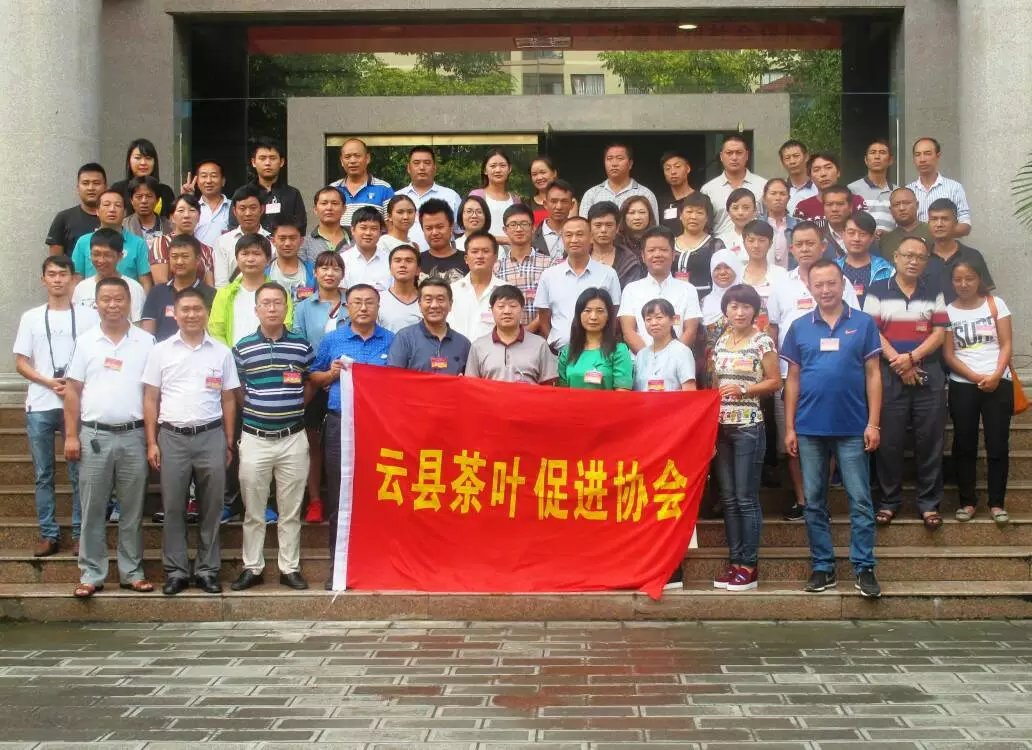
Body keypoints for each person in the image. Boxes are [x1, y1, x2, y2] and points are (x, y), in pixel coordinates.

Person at [781, 259, 883, 598]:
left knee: (860, 500)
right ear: (810, 288)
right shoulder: (799, 327)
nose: (825, 290)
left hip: (853, 426)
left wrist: (873, 422)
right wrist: (790, 427)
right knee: (813, 501)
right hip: (809, 428)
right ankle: (823, 567)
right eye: (818, 285)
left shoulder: (863, 323)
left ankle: (864, 567)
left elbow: (873, 374)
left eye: (831, 283)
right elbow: (792, 380)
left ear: (843, 285)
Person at [63, 277, 156, 598]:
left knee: (132, 509)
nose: (113, 305)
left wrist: (152, 439)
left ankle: (132, 572)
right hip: (94, 436)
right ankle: (91, 573)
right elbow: (72, 391)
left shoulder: (146, 342)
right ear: (96, 304)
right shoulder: (85, 342)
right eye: (106, 299)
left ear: (129, 303)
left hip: (134, 435)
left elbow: (152, 394)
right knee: (93, 508)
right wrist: (71, 435)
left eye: (119, 299)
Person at [142, 287, 238, 596]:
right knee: (173, 506)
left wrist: (228, 440)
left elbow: (228, 399)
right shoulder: (160, 351)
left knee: (212, 505)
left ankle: (208, 570)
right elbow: (151, 398)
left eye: (197, 309)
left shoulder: (221, 352)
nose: (192, 315)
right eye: (185, 309)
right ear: (175, 313)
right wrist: (152, 441)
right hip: (172, 436)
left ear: (206, 312)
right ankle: (177, 570)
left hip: (211, 435)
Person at [767, 222, 860, 520]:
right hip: (789, 374)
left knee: (829, 436)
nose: (805, 249)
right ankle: (803, 499)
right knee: (794, 438)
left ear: (823, 246)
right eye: (799, 244)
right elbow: (772, 329)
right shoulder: (782, 284)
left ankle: (820, 498)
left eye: (811, 243)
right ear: (791, 249)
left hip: (833, 375)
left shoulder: (839, 281)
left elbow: (855, 321)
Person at [231, 282, 314, 591]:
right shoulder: (242, 348)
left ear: (286, 307)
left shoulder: (301, 346)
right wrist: (259, 411)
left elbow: (310, 382)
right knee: (253, 510)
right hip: (255, 437)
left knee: (290, 510)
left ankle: (289, 567)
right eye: (265, 303)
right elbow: (237, 389)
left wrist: (293, 407)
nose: (272, 308)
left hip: (293, 437)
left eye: (278, 303)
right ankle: (252, 567)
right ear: (256, 309)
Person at [310, 283, 395, 587]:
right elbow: (314, 377)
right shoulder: (333, 340)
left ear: (378, 307)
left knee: (380, 497)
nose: (363, 307)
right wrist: (331, 374)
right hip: (340, 424)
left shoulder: (393, 341)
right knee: (339, 497)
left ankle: (377, 565)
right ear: (347, 307)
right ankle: (339, 568)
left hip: (380, 429)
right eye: (357, 302)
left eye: (369, 302)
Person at [14, 256, 99, 557]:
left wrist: (74, 385)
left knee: (80, 473)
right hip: (40, 403)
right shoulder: (31, 317)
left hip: (77, 403)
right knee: (43, 473)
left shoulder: (89, 317)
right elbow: (21, 362)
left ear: (73, 279)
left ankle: (79, 534)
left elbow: (97, 358)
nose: (58, 279)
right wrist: (49, 382)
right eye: (51, 274)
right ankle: (48, 534)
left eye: (63, 274)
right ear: (43, 280)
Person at [864, 235, 948, 531]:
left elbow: (939, 333)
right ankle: (889, 502)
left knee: (931, 441)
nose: (914, 261)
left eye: (920, 257)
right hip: (889, 374)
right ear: (896, 258)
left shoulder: (934, 290)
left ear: (926, 262)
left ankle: (929, 504)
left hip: (929, 372)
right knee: (889, 441)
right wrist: (899, 363)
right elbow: (872, 332)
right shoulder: (877, 290)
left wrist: (911, 358)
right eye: (908, 255)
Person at [711, 284, 780, 592]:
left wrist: (744, 389)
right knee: (728, 498)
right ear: (725, 310)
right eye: (733, 306)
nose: (739, 312)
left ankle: (749, 566)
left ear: (755, 311)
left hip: (749, 426)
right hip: (721, 428)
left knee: (746, 498)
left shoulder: (762, 341)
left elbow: (775, 382)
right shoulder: (721, 341)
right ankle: (734, 561)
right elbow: (715, 384)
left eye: (745, 307)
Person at [943, 261, 1014, 525]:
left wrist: (995, 375)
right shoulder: (947, 311)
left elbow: (1006, 344)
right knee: (964, 444)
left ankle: (997, 503)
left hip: (998, 382)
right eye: (958, 279)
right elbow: (949, 354)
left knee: (997, 444)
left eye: (969, 278)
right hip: (963, 384)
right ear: (952, 282)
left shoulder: (996, 304)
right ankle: (968, 501)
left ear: (979, 279)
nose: (963, 284)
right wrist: (974, 377)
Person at [290, 250, 347, 525]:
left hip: (346, 383)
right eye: (324, 268)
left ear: (343, 274)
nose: (329, 273)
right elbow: (299, 345)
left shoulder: (352, 302)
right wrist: (319, 375)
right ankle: (314, 501)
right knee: (311, 443)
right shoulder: (303, 307)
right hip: (313, 380)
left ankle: (345, 499)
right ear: (315, 273)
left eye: (335, 268)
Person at [739, 221, 787, 487]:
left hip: (771, 349)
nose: (756, 245)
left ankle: (771, 464)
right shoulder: (737, 272)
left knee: (771, 408)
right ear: (744, 241)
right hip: (741, 352)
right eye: (751, 240)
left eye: (761, 240)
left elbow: (779, 317)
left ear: (770, 243)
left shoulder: (781, 275)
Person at [534, 216, 622, 350]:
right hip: (558, 353)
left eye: (580, 234)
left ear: (591, 237)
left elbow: (614, 315)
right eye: (568, 235)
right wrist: (552, 342)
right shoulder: (549, 275)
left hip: (598, 353)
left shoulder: (608, 274)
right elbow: (543, 315)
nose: (574, 240)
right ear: (562, 239)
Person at [618, 226, 702, 353]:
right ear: (643, 256)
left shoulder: (688, 290)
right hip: (640, 361)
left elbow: (690, 331)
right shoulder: (631, 290)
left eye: (663, 250)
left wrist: (671, 359)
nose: (657, 255)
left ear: (673, 255)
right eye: (651, 250)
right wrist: (649, 359)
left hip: (677, 361)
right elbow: (629, 332)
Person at [209, 233, 293, 348]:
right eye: (245, 254)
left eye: (256, 254)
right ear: (237, 258)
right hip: (233, 357)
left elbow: (286, 325)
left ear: (268, 260)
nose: (250, 259)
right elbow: (216, 331)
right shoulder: (224, 294)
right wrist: (230, 356)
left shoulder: (280, 293)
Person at [465, 285, 558, 383]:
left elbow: (548, 386)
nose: (507, 311)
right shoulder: (478, 346)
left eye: (513, 306)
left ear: (522, 309)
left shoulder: (539, 345)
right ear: (492, 310)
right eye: (501, 306)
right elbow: (471, 385)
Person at [141, 234, 217, 341]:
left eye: (185, 256)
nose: (179, 262)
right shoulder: (157, 292)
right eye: (174, 257)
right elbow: (147, 335)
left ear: (198, 259)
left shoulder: (211, 294)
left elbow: (214, 333)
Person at [387, 277, 471, 374]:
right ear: (419, 305)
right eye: (428, 300)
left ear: (450, 304)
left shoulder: (463, 344)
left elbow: (471, 379)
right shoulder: (404, 339)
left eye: (440, 300)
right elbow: (393, 378)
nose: (434, 305)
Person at [70, 190, 152, 288]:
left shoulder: (138, 243)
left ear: (125, 212)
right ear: (97, 211)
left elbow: (145, 281)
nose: (112, 209)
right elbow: (77, 278)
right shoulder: (83, 242)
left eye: (117, 205)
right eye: (106, 205)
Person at [495, 204, 559, 327]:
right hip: (506, 334)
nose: (519, 229)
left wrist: (528, 331)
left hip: (542, 334)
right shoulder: (497, 268)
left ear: (533, 228)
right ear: (505, 230)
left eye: (524, 224)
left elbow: (554, 302)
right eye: (513, 224)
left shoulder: (550, 264)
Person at [557, 288, 632, 390]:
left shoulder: (618, 350)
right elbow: (562, 391)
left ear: (608, 316)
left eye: (600, 311)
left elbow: (622, 392)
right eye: (587, 311)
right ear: (579, 314)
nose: (593, 317)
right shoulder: (568, 351)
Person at [925, 198, 994, 304]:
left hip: (967, 313)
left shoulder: (972, 256)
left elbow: (985, 297)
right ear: (928, 223)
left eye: (945, 219)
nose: (939, 224)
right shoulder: (921, 257)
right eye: (934, 219)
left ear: (956, 223)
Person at [232, 137, 306, 234]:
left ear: (282, 162)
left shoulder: (292, 194)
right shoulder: (242, 193)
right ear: (253, 162)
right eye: (262, 158)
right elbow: (234, 226)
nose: (267, 163)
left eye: (272, 158)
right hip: (251, 243)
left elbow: (300, 228)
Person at [395, 146, 463, 251]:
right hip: (404, 258)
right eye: (416, 163)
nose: (422, 167)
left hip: (442, 258)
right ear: (408, 168)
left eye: (427, 163)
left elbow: (460, 233)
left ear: (435, 168)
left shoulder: (451, 196)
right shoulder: (396, 197)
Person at [71, 229, 147, 321]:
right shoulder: (81, 288)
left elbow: (137, 323)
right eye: (96, 254)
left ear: (120, 256)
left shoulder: (134, 288)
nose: (101, 260)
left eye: (107, 255)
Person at [701, 134, 766, 235]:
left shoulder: (763, 185)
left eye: (739, 153)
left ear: (747, 155)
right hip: (720, 243)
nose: (734, 157)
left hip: (755, 242)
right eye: (729, 153)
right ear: (721, 156)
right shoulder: (708, 189)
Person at [447, 230, 505, 342]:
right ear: (466, 259)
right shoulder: (451, 291)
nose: (480, 256)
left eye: (485, 251)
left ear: (495, 257)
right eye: (474, 251)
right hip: (457, 352)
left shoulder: (507, 291)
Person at [908, 137, 971, 236]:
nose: (922, 159)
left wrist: (941, 235)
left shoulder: (954, 188)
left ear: (938, 156)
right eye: (917, 154)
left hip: (945, 244)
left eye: (927, 153)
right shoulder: (907, 191)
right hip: (915, 244)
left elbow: (965, 225)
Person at [579, 143, 659, 220]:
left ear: (630, 164)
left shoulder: (645, 194)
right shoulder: (591, 194)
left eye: (620, 158)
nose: (614, 164)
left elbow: (653, 227)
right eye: (609, 159)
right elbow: (583, 227)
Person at [149, 194, 216, 286]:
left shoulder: (207, 250)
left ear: (199, 217)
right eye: (181, 210)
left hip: (199, 295)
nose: (186, 215)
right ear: (172, 217)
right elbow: (161, 283)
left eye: (192, 210)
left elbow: (209, 287)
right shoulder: (162, 242)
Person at [632, 298, 697, 392]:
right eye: (648, 319)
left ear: (673, 320)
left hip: (673, 402)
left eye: (659, 317)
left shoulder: (682, 351)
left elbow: (690, 392)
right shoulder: (641, 355)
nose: (653, 323)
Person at [701, 249, 744, 385]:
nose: (722, 272)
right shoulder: (704, 302)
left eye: (727, 267)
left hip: (742, 368)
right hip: (709, 371)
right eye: (717, 268)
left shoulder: (748, 299)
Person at [213, 185, 270, 288]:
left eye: (253, 208)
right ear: (234, 211)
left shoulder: (272, 242)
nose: (248, 213)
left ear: (262, 209)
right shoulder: (223, 242)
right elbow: (221, 284)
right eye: (242, 208)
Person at [329, 137, 394, 227]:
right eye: (347, 157)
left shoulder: (384, 189)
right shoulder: (333, 189)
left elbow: (391, 226)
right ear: (341, 161)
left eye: (357, 156)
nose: (352, 161)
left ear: (367, 158)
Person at [836, 211, 895, 309]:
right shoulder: (832, 268)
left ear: (872, 238)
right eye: (851, 233)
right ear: (843, 234)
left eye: (862, 234)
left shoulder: (886, 269)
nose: (856, 239)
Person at [46, 163, 106, 256]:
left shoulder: (114, 217)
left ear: (105, 187)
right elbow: (55, 260)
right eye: (85, 183)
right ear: (78, 188)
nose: (91, 188)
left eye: (96, 183)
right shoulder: (63, 218)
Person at [793, 153, 865, 228]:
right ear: (810, 177)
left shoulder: (856, 201)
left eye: (828, 167)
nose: (823, 174)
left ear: (838, 172)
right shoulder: (803, 207)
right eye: (816, 170)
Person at [673, 192, 724, 298]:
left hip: (706, 301)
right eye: (689, 211)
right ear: (681, 215)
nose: (693, 216)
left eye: (699, 212)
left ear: (707, 218)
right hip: (672, 301)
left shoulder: (715, 245)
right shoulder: (669, 243)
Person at [110, 138, 176, 217]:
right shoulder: (118, 189)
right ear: (129, 160)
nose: (143, 163)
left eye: (148, 158)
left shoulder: (165, 191)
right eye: (138, 158)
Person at [588, 201, 644, 290]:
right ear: (589, 228)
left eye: (609, 225)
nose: (603, 230)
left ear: (617, 228)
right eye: (598, 225)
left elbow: (631, 293)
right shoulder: (579, 255)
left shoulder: (629, 261)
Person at [848, 139, 897, 235]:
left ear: (890, 160)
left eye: (882, 152)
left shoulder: (897, 192)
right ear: (866, 160)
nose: (877, 157)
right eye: (873, 152)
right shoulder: (852, 189)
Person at [470, 148, 521, 239]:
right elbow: (472, 230)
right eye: (493, 166)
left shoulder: (515, 199)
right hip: (484, 246)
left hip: (512, 248)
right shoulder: (476, 195)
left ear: (509, 169)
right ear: (485, 170)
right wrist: (506, 240)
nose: (498, 170)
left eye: (502, 165)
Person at [418, 199, 468, 283]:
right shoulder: (416, 261)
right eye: (429, 228)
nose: (434, 232)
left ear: (451, 226)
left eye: (440, 227)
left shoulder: (468, 260)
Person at [182, 159, 230, 247]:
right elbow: (179, 233)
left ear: (223, 181)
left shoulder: (234, 207)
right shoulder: (191, 208)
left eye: (213, 176)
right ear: (197, 181)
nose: (208, 181)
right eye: (204, 176)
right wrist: (186, 200)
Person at [268, 219, 316, 303]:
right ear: (273, 241)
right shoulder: (263, 273)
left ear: (301, 241)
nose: (287, 243)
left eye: (293, 238)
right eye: (282, 238)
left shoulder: (314, 272)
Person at [378, 244, 423, 333]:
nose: (402, 265)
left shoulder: (428, 300)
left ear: (418, 270)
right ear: (390, 269)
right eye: (397, 261)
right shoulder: (378, 300)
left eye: (409, 261)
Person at [300, 186, 350, 264]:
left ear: (344, 209)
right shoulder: (305, 243)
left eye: (334, 203)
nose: (329, 208)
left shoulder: (356, 239)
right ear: (315, 209)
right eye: (324, 203)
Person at [880, 187, 931, 257]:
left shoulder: (933, 232)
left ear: (917, 205)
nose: (902, 208)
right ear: (890, 209)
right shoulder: (885, 240)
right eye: (896, 204)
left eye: (906, 203)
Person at [532, 180, 575, 260]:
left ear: (572, 205)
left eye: (564, 201)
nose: (559, 207)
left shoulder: (581, 236)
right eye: (554, 201)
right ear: (545, 204)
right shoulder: (532, 236)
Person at [528, 156, 576, 227]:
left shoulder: (569, 201)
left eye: (543, 172)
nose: (539, 177)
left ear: (554, 173)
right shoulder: (526, 204)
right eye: (534, 174)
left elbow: (571, 228)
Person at [123, 175, 172, 244]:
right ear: (131, 200)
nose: (144, 201)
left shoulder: (169, 226)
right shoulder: (123, 226)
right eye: (139, 196)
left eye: (149, 196)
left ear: (157, 200)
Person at [761, 178, 796, 269]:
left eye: (782, 194)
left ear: (788, 198)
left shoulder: (798, 226)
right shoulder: (756, 225)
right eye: (773, 193)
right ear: (764, 198)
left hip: (791, 275)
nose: (778, 198)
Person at [658, 151, 696, 234]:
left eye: (677, 166)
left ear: (688, 169)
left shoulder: (700, 199)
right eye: (667, 168)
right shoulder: (659, 202)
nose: (673, 172)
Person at [718, 187, 759, 259]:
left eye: (746, 208)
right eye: (735, 208)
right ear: (728, 211)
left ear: (755, 211)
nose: (740, 213)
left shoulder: (765, 237)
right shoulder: (720, 240)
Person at [779, 139, 816, 214]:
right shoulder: (779, 190)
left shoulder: (818, 188)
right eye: (787, 158)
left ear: (806, 157)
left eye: (796, 156)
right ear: (782, 162)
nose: (792, 161)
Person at [819, 185, 857, 257]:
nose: (834, 209)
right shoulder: (817, 237)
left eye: (840, 204)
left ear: (850, 207)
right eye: (829, 204)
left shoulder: (863, 234)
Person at [616, 195, 658, 259]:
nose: (637, 217)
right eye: (631, 213)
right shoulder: (615, 242)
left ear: (650, 215)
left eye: (642, 212)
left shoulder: (660, 240)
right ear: (624, 216)